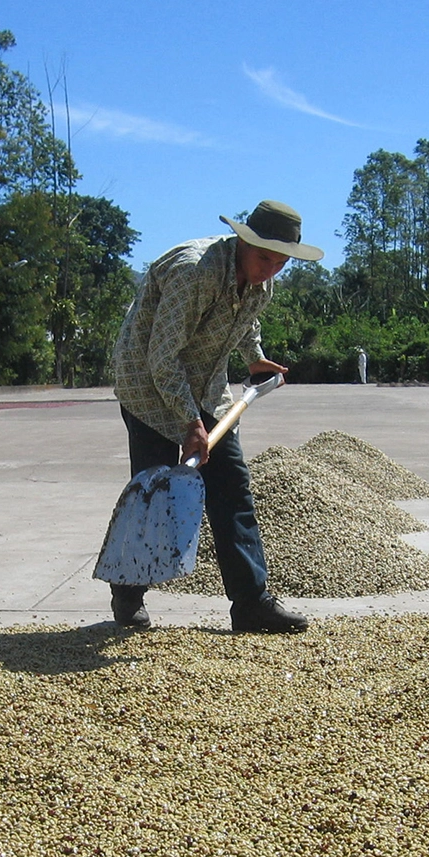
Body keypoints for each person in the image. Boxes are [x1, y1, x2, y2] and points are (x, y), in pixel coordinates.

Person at [108, 200, 324, 632]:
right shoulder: (195, 272)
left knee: (232, 486)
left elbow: (247, 322)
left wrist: (255, 358)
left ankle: (250, 601)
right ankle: (128, 594)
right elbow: (162, 359)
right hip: (148, 385)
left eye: (281, 262)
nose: (270, 270)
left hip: (207, 384)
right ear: (244, 241)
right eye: (264, 257)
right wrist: (191, 426)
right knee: (157, 492)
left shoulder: (263, 279)